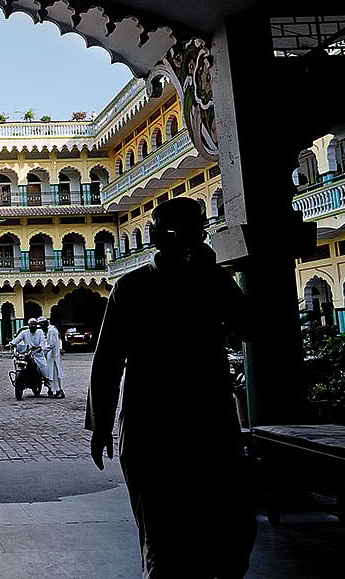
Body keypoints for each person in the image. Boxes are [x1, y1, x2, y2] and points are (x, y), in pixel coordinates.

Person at [86, 197, 256, 579]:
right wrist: (100, 424)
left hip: (205, 418)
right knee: (163, 534)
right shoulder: (133, 287)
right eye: (195, 228)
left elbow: (248, 326)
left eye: (201, 228)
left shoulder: (209, 282)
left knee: (228, 529)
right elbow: (109, 359)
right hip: (157, 423)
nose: (200, 234)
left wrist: (215, 272)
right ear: (165, 234)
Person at [39, 316, 64, 398]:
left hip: (54, 355)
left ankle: (58, 391)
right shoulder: (49, 330)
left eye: (42, 323)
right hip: (52, 355)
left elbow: (51, 344)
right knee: (52, 374)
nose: (41, 325)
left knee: (55, 374)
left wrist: (43, 351)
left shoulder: (51, 330)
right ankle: (53, 389)